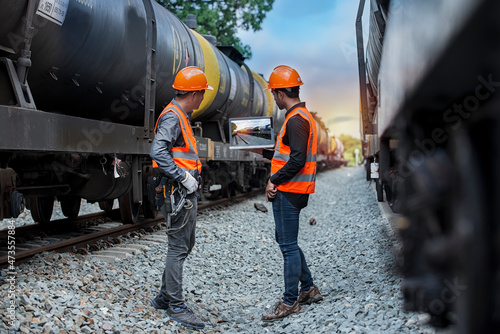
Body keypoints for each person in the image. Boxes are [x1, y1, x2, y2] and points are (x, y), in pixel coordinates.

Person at [149, 66, 213, 330]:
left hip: (182, 192)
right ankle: (176, 305)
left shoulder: (180, 115)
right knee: (178, 247)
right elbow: (158, 152)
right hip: (176, 192)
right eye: (202, 94)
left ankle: (165, 297)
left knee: (185, 244)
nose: (202, 100)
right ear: (195, 94)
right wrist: (183, 177)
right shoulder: (173, 117)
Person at [260, 65, 323, 322]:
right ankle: (308, 288)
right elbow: (284, 154)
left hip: (289, 190)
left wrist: (273, 180)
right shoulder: (299, 117)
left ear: (281, 93)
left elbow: (296, 161)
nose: (274, 98)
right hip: (292, 189)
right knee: (288, 242)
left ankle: (289, 302)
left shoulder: (296, 120)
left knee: (287, 246)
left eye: (274, 93)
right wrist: (257, 151)